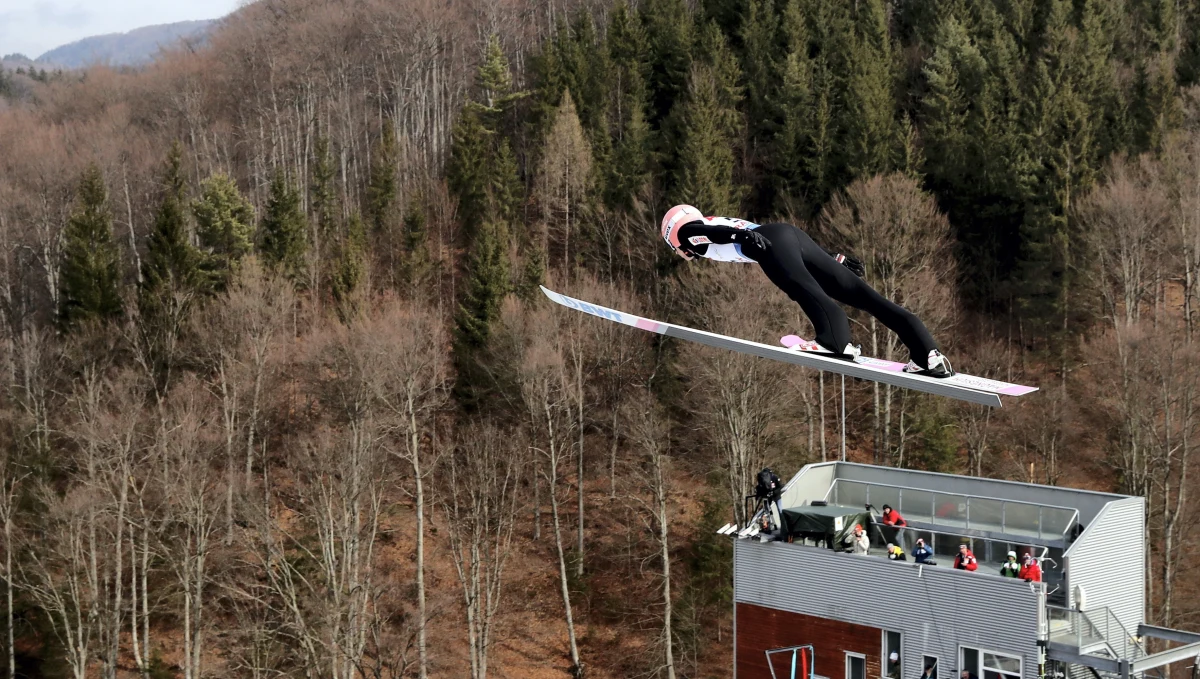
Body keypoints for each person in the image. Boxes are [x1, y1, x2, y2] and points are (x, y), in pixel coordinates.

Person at [659, 205, 954, 376]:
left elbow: (711, 235)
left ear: (674, 238)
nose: (681, 252)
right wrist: (830, 257)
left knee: (803, 289)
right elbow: (776, 239)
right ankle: (927, 354)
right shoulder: (711, 220)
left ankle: (835, 343)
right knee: (865, 297)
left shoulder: (688, 232)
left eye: (675, 249)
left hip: (768, 242)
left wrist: (741, 236)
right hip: (791, 236)